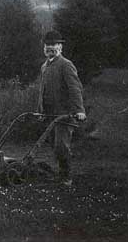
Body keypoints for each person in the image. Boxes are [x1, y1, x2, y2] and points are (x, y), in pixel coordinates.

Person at [38, 30, 86, 186]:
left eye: (54, 45)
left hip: (65, 114)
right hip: (50, 114)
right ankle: (61, 172)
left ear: (60, 47)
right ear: (44, 48)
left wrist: (79, 110)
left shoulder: (66, 65)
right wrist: (40, 111)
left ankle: (66, 177)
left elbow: (75, 88)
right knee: (54, 145)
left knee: (61, 146)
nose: (50, 48)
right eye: (47, 45)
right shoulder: (44, 66)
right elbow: (42, 91)